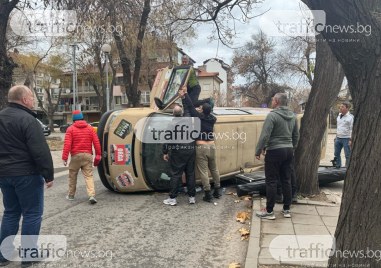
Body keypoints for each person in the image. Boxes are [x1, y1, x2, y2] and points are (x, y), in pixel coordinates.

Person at [0, 85, 54, 265]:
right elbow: (39, 150)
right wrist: (48, 174)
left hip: (4, 174)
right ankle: (29, 255)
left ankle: (3, 254)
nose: (33, 100)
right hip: (27, 174)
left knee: (10, 212)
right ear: (24, 100)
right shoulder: (28, 120)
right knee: (32, 214)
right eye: (31, 97)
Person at [255, 93, 299, 220]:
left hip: (274, 151)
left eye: (273, 99)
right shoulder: (293, 116)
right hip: (288, 150)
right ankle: (286, 210)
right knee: (286, 180)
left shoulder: (272, 115)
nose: (272, 101)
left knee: (271, 181)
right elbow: (296, 135)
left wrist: (258, 150)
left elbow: (265, 135)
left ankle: (269, 212)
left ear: (277, 102)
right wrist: (292, 147)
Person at [179, 89, 221, 202]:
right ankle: (217, 190)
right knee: (214, 169)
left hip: (201, 147)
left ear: (202, 110)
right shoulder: (213, 119)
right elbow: (205, 112)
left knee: (203, 171)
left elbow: (191, 107)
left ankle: (208, 194)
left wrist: (186, 94)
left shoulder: (199, 117)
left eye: (201, 108)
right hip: (212, 146)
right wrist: (203, 110)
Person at [62, 110, 101, 204]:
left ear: (73, 119)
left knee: (72, 176)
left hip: (75, 156)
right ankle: (91, 195)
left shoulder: (70, 129)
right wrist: (98, 154)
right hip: (88, 155)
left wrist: (65, 158)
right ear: (83, 118)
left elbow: (67, 144)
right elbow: (96, 142)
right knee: (89, 176)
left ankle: (71, 195)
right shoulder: (90, 128)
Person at [162, 105, 196, 205]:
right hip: (190, 150)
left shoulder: (171, 125)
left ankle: (172, 198)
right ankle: (192, 197)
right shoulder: (189, 122)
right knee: (190, 173)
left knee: (176, 174)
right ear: (181, 114)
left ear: (173, 114)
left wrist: (165, 152)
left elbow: (166, 139)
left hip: (178, 152)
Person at [334, 102, 354, 168]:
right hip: (338, 138)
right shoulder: (339, 115)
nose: (340, 108)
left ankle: (347, 168)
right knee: (336, 153)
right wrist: (336, 136)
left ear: (347, 108)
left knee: (347, 155)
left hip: (346, 138)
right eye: (340, 106)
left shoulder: (350, 117)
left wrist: (351, 140)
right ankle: (338, 166)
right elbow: (338, 127)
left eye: (342, 107)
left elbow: (352, 129)